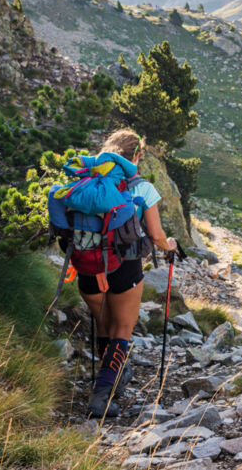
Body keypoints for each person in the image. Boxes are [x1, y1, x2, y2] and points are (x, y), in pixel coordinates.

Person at [82, 128, 177, 418]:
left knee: (104, 324)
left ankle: (112, 373)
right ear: (136, 156)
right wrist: (169, 244)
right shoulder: (142, 188)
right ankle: (102, 395)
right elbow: (157, 235)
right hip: (125, 266)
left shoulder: (86, 184)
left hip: (87, 266)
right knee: (122, 329)